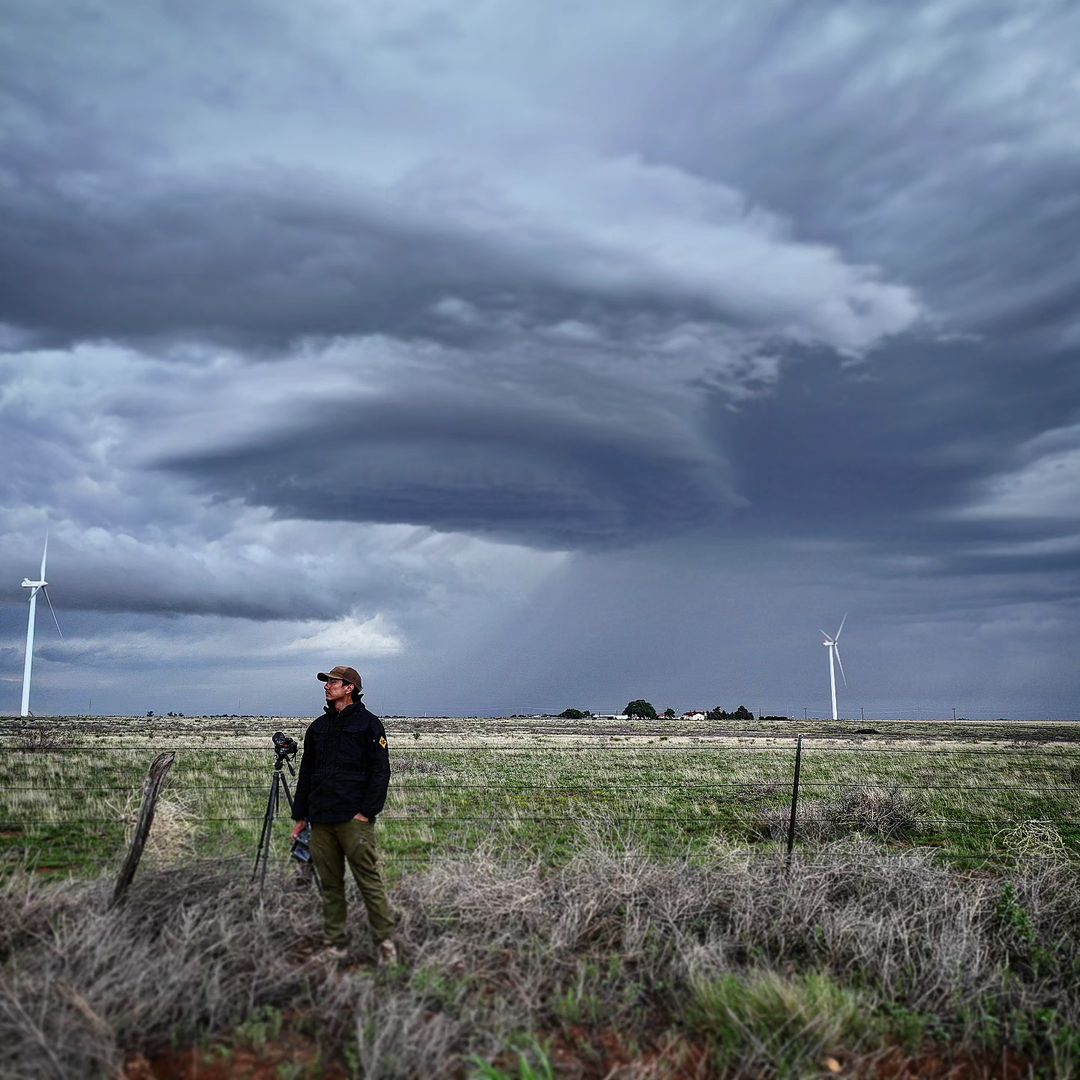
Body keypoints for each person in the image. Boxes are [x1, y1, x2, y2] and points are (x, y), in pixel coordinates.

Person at [291, 664, 398, 964]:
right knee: (331, 885)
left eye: (333, 682)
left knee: (369, 881)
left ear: (350, 688)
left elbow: (381, 772)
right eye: (326, 682)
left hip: (354, 821)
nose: (327, 686)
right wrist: (301, 816)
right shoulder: (317, 728)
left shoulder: (369, 725)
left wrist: (367, 813)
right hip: (321, 821)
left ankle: (385, 943)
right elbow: (306, 773)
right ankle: (335, 944)